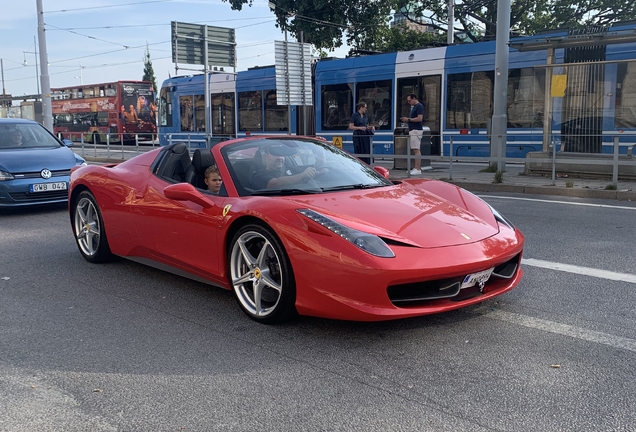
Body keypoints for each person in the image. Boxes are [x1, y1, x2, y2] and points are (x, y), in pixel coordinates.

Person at [250, 144, 317, 190]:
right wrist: (302, 175)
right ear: (265, 155)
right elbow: (275, 183)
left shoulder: (291, 168)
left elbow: (317, 167)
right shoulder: (258, 175)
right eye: (275, 154)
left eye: (282, 155)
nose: (280, 158)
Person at [400, 93, 425, 175]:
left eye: (410, 100)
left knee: (416, 149)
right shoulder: (414, 107)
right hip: (413, 129)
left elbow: (419, 118)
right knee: (415, 149)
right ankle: (416, 167)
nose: (409, 102)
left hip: (416, 130)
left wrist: (408, 119)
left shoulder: (419, 106)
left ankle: (418, 168)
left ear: (414, 98)